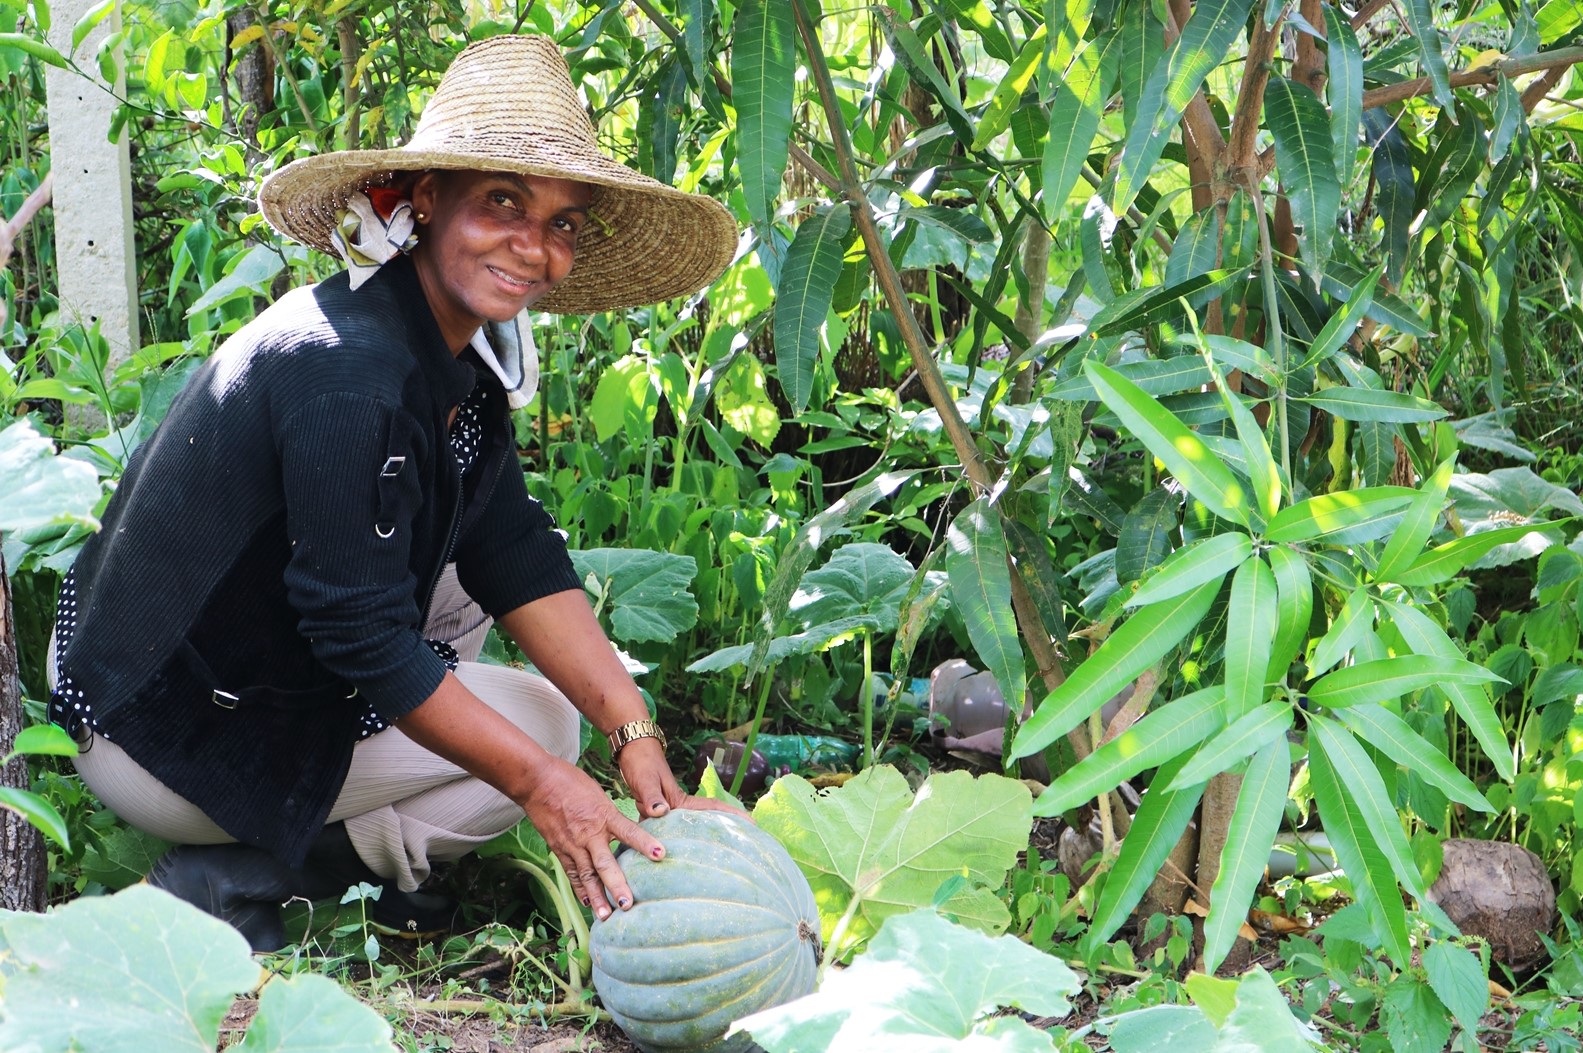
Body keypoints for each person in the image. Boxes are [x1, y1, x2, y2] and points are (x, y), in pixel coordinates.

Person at [47, 33, 741, 950]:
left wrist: (635, 732)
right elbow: (356, 629)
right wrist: (542, 780)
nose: (532, 246)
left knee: (477, 601)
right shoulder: (350, 372)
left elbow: (514, 551)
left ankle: (296, 860)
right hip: (152, 731)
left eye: (562, 222)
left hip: (167, 672)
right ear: (425, 199)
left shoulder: (431, 349)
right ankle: (243, 878)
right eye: (503, 202)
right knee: (535, 728)